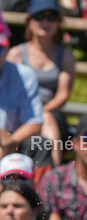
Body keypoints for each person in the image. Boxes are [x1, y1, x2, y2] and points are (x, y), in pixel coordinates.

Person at [5, 0, 75, 168]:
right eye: (39, 16)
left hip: (50, 111)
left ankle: (53, 176)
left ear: (59, 22)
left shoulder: (65, 55)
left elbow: (63, 95)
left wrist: (39, 113)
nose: (45, 22)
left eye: (51, 17)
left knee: (46, 119)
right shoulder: (16, 53)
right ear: (29, 21)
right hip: (20, 111)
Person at [0, 31, 43, 162]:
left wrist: (10, 141)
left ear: (8, 48)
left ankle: (47, 182)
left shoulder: (25, 74)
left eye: (0, 48)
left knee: (40, 144)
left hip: (12, 141)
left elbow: (35, 122)